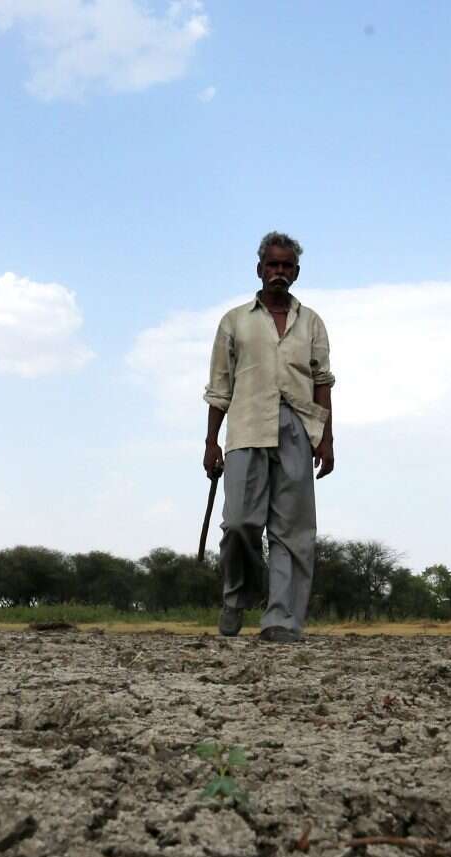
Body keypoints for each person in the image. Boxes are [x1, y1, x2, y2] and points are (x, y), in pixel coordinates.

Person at [202, 231, 335, 642]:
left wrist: (326, 438)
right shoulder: (235, 320)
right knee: (240, 522)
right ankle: (237, 595)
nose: (279, 271)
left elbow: (321, 380)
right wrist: (211, 441)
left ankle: (282, 620)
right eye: (272, 265)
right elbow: (219, 386)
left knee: (292, 531)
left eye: (287, 265)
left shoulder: (311, 321)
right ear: (260, 270)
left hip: (297, 425)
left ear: (296, 272)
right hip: (245, 425)